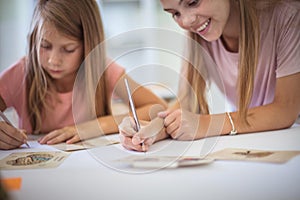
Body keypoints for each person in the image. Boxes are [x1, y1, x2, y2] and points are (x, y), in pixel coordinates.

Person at [119, 0, 300, 152]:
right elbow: (186, 100)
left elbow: (286, 110)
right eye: (175, 13)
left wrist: (206, 125)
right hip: (256, 145)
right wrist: (155, 129)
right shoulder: (199, 32)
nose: (187, 21)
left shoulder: (288, 16)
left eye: (193, 2)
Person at [0, 0, 167, 150]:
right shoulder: (21, 73)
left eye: (68, 49)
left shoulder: (103, 69)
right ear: (33, 40)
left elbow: (158, 109)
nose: (53, 60)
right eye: (44, 46)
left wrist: (94, 127)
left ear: (89, 46)